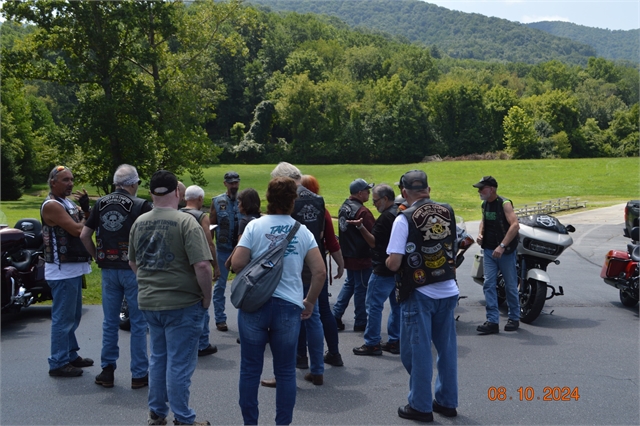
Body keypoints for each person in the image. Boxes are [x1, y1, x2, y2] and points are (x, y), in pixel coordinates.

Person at [231, 176, 326, 425]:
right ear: (292, 200)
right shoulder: (302, 231)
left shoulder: (254, 227)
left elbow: (237, 263)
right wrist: (310, 301)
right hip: (288, 306)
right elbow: (319, 272)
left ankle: (250, 422)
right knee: (285, 371)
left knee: (250, 369)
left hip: (254, 305)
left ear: (268, 198)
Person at [128, 170, 213, 426]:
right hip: (182, 303)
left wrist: (151, 280)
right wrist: (206, 298)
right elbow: (202, 266)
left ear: (152, 193)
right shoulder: (186, 222)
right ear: (178, 192)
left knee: (158, 359)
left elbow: (133, 262)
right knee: (179, 364)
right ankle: (184, 418)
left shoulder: (139, 222)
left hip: (150, 301)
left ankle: (157, 412)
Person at [386, 170, 459, 422]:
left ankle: (420, 405)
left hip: (419, 291)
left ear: (404, 193)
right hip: (447, 287)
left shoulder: (403, 217)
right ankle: (447, 401)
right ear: (428, 189)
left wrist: (385, 260)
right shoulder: (447, 211)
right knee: (447, 350)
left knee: (416, 352)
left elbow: (394, 263)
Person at [80, 164, 150, 388]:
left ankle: (107, 370)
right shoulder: (140, 205)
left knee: (110, 322)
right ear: (132, 184)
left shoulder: (100, 203)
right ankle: (139, 374)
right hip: (134, 268)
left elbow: (84, 235)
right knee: (138, 323)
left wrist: (96, 256)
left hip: (108, 268)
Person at [266, 163, 330, 386]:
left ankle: (284, 372)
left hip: (291, 262)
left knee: (284, 321)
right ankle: (318, 369)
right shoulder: (318, 199)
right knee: (314, 317)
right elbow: (320, 232)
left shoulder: (289, 199)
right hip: (313, 260)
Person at [41, 165, 94, 378]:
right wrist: (85, 219)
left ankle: (70, 354)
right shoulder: (52, 205)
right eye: (65, 180)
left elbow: (87, 222)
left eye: (71, 179)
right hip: (61, 270)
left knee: (73, 316)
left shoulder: (67, 203)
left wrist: (86, 209)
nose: (70, 183)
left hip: (73, 268)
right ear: (53, 182)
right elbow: (77, 229)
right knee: (63, 318)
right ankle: (58, 361)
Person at [300, 174, 345, 367]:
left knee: (302, 311)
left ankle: (301, 357)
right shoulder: (321, 210)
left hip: (300, 266)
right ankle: (334, 352)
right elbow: (331, 241)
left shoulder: (293, 209)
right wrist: (340, 263)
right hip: (319, 264)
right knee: (324, 310)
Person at [351, 184, 400, 356]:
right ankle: (395, 340)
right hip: (399, 267)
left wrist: (360, 227)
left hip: (383, 268)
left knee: (373, 305)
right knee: (397, 305)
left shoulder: (385, 217)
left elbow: (373, 242)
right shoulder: (400, 213)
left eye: (375, 200)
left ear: (385, 199)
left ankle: (372, 342)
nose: (373, 204)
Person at [473, 176, 521, 334]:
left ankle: (514, 317)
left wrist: (502, 246)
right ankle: (492, 321)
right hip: (488, 250)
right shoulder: (484, 204)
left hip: (505, 251)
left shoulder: (505, 204)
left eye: (482, 188)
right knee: (488, 284)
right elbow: (483, 220)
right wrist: (480, 234)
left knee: (510, 285)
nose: (479, 191)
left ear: (491, 189)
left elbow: (515, 225)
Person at [181, 184, 220, 357]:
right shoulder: (201, 216)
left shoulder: (178, 214)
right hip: (197, 263)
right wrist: (216, 266)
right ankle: (202, 343)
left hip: (180, 266)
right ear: (200, 199)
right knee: (202, 303)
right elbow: (209, 243)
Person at [333, 178, 376, 332]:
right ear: (359, 193)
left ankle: (336, 315)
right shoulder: (363, 211)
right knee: (361, 288)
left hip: (349, 255)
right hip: (362, 257)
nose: (369, 193)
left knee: (350, 284)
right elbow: (374, 234)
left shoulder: (344, 206)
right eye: (367, 190)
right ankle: (360, 321)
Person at [209, 171, 243, 332]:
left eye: (236, 182)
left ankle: (244, 319)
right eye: (231, 183)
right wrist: (209, 244)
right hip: (223, 249)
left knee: (244, 285)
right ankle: (220, 319)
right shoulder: (217, 202)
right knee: (220, 286)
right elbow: (211, 225)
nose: (234, 185)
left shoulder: (244, 200)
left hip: (241, 250)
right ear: (225, 184)